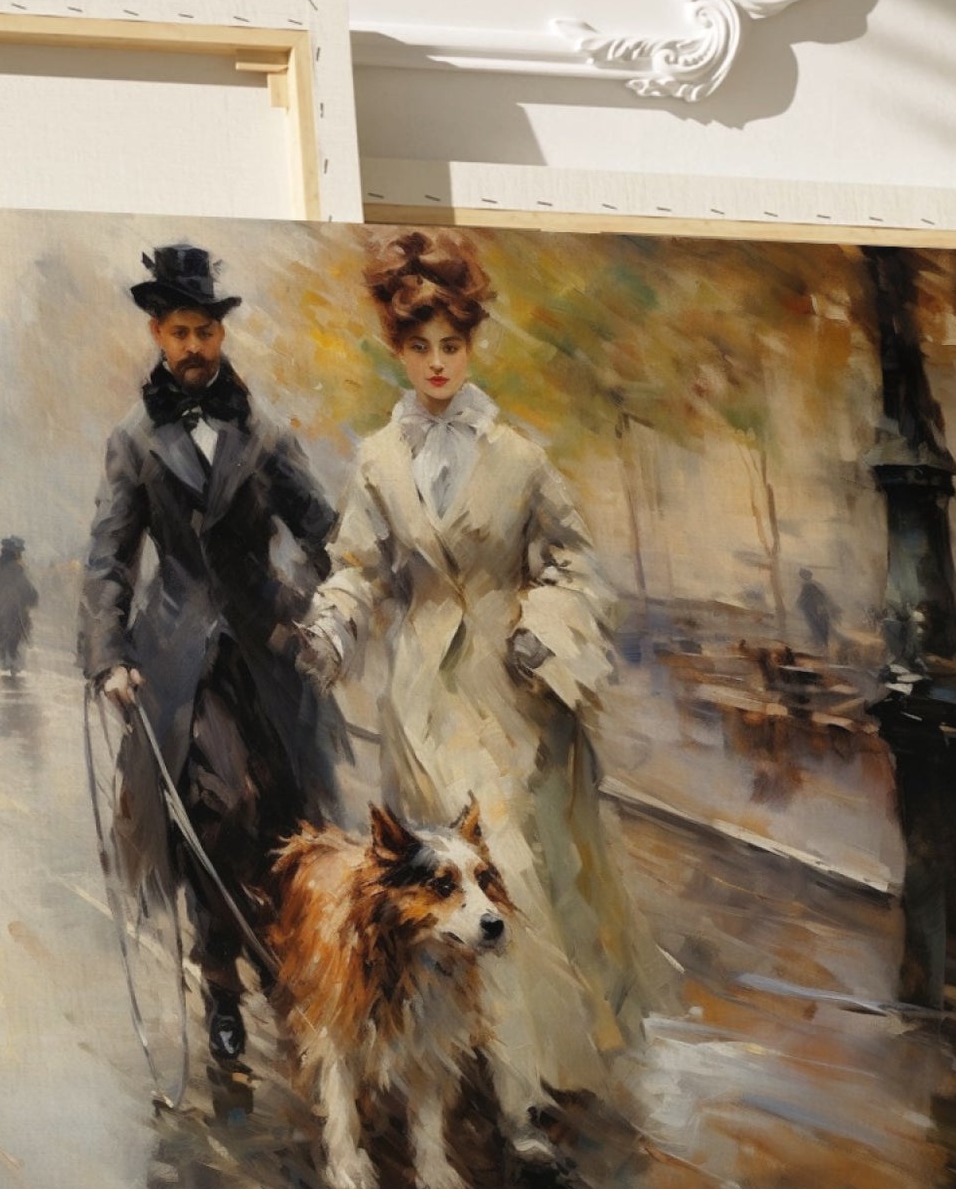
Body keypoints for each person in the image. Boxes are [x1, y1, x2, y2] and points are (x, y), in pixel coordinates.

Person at [298, 228, 677, 1126]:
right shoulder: (378, 462)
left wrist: (546, 632)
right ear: (397, 348)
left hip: (514, 695)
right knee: (443, 896)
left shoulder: (520, 458)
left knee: (510, 878)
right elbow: (357, 562)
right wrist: (333, 623)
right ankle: (463, 1066)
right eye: (420, 348)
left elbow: (575, 566)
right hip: (420, 703)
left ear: (471, 345)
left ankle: (527, 1098)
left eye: (452, 346)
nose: (437, 364)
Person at [80, 243, 343, 1067]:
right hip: (179, 665)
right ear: (158, 333)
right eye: (180, 332)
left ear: (220, 336)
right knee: (217, 812)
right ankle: (223, 981)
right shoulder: (133, 441)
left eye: (207, 333)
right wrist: (109, 657)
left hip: (267, 654)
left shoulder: (262, 433)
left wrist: (308, 604)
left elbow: (324, 531)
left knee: (291, 818)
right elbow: (108, 557)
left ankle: (290, 970)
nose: (195, 348)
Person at [0, 535, 39, 673]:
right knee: (13, 641)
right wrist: (32, 597)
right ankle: (11, 667)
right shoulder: (16, 569)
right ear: (15, 552)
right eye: (19, 552)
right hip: (13, 612)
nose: (21, 554)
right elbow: (26, 589)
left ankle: (5, 663)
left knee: (3, 639)